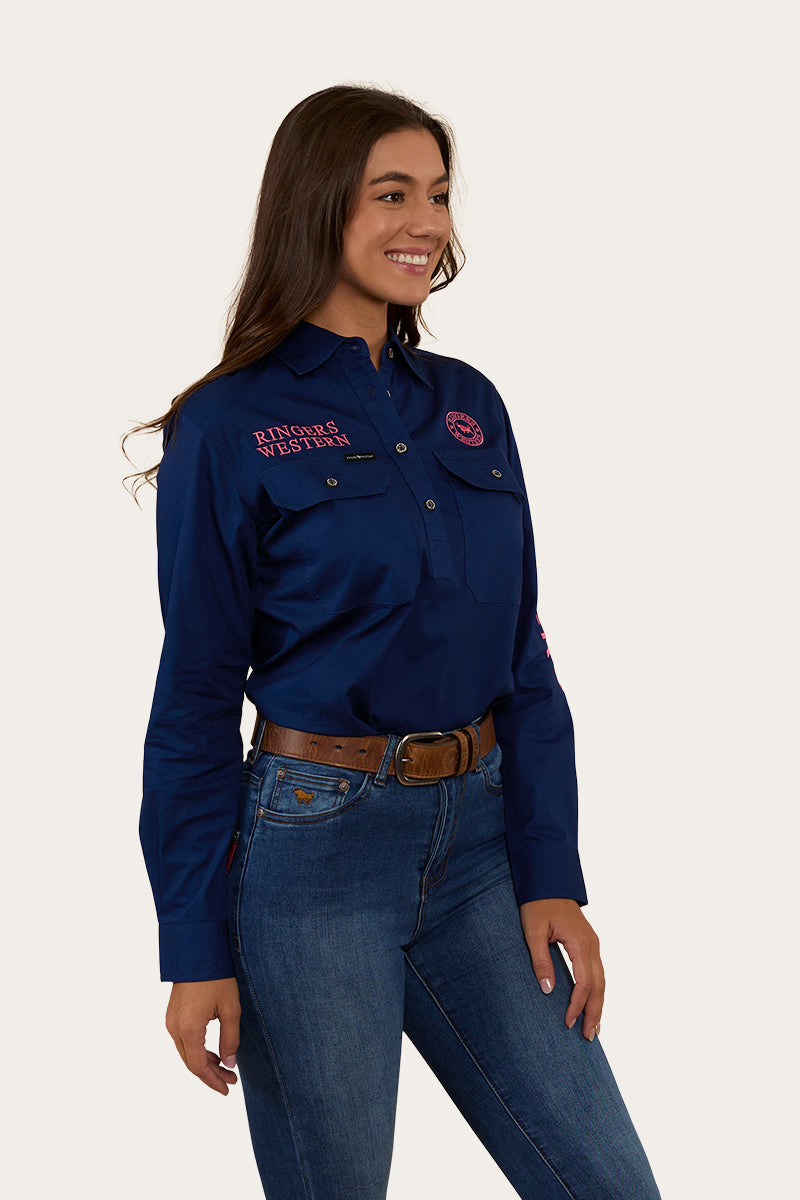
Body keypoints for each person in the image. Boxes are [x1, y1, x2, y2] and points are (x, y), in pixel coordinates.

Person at [126, 84, 662, 1200]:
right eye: (392, 194)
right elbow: (193, 699)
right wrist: (194, 945)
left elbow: (523, 659)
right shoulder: (228, 425)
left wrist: (551, 871)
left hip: (480, 852)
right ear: (319, 204)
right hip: (309, 862)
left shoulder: (468, 403)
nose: (426, 223)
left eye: (438, 195)